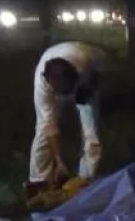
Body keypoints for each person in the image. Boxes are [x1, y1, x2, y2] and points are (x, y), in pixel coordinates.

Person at [29, 41, 106, 188]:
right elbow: (49, 125)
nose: (62, 96)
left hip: (86, 83)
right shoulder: (42, 85)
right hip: (60, 77)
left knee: (91, 131)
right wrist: (60, 162)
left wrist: (87, 89)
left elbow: (100, 69)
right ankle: (39, 180)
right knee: (43, 130)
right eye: (57, 91)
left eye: (64, 91)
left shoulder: (86, 61)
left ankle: (87, 177)